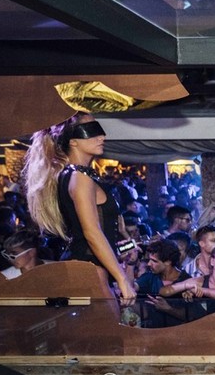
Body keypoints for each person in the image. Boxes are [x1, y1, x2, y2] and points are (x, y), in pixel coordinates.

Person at [23, 113, 135, 305]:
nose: (102, 136)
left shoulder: (73, 175)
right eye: (92, 131)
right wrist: (121, 278)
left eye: (100, 130)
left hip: (86, 269)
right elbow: (91, 232)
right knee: (106, 323)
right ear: (73, 141)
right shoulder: (79, 177)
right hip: (90, 271)